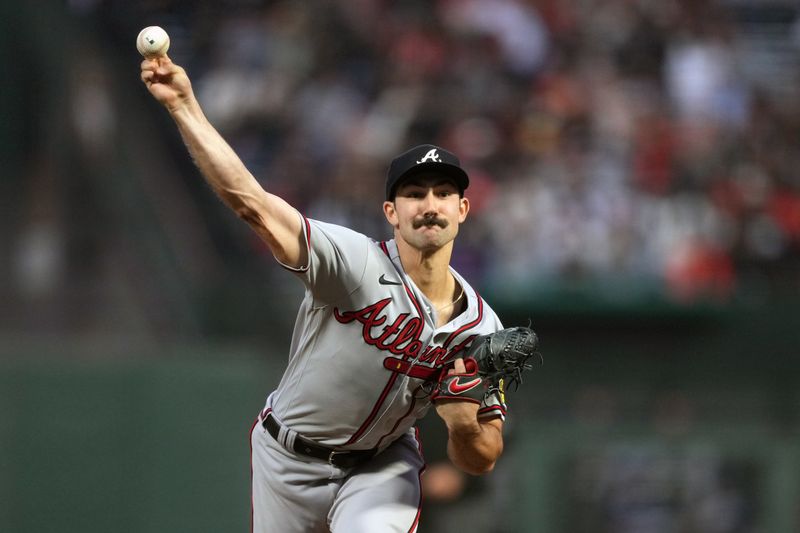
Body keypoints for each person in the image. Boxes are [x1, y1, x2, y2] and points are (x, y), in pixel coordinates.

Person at [140, 54, 509, 533]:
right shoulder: (353, 262)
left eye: (443, 193)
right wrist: (185, 106)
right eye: (414, 193)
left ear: (463, 209)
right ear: (391, 212)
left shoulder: (484, 329)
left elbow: (482, 459)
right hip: (286, 455)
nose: (429, 205)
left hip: (381, 466)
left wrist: (463, 427)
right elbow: (253, 204)